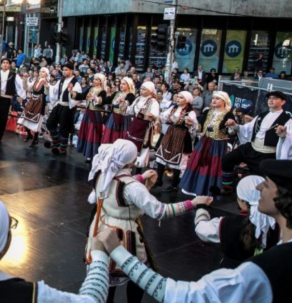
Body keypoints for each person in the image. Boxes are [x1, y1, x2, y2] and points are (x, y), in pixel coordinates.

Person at [97, 159, 292, 303]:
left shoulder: (264, 269)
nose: (259, 187)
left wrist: (119, 251)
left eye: (266, 184)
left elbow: (183, 295)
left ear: (281, 197)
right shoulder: (275, 249)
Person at [85, 139, 212, 303]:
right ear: (130, 160)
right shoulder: (131, 187)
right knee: (137, 274)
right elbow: (159, 211)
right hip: (124, 236)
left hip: (102, 229)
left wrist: (142, 180)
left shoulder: (101, 174)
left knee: (107, 275)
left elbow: (118, 184)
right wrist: (192, 203)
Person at [193, 175, 279, 268]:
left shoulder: (228, 223)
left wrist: (201, 208)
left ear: (241, 200)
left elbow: (201, 229)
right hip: (265, 275)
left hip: (233, 273)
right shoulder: (277, 224)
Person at [222, 91, 292, 194]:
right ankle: (228, 187)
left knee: (259, 180)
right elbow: (247, 129)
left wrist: (283, 134)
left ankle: (252, 199)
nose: (271, 100)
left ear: (283, 102)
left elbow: (289, 139)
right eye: (269, 98)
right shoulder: (261, 115)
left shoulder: (288, 121)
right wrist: (235, 126)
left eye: (275, 98)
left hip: (267, 155)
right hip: (251, 148)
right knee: (227, 159)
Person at [180, 91, 236, 196]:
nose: (214, 100)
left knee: (213, 167)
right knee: (198, 164)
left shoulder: (228, 114)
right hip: (204, 142)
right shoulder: (207, 112)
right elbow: (200, 129)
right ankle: (194, 188)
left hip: (218, 145)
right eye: (213, 98)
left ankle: (207, 192)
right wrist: (191, 124)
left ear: (224, 101)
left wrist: (232, 125)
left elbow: (232, 132)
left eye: (217, 98)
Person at [154, 91, 198, 192]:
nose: (178, 99)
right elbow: (163, 117)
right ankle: (159, 179)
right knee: (161, 155)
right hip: (171, 133)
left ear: (186, 100)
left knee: (178, 160)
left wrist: (190, 124)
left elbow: (195, 128)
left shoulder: (190, 112)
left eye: (181, 97)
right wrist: (163, 117)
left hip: (181, 136)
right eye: (177, 97)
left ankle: (174, 185)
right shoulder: (173, 108)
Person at [46, 64, 83, 155]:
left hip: (68, 106)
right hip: (59, 104)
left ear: (71, 71)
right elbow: (54, 90)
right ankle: (56, 141)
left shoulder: (76, 83)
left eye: (66, 69)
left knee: (64, 128)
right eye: (63, 70)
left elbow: (78, 96)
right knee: (50, 123)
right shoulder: (62, 80)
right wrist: (47, 85)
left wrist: (71, 92)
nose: (64, 71)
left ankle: (62, 148)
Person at [75, 74, 109, 162]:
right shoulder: (90, 89)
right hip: (88, 112)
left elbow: (102, 102)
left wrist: (94, 98)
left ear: (101, 81)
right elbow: (82, 96)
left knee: (93, 133)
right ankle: (87, 153)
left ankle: (93, 154)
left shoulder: (102, 91)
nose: (95, 81)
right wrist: (72, 92)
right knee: (87, 132)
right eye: (94, 79)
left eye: (97, 79)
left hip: (96, 114)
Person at [17, 67, 49, 148]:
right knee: (23, 117)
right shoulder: (36, 81)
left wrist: (46, 85)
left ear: (47, 74)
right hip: (32, 100)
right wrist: (25, 79)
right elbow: (27, 88)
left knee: (37, 122)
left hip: (40, 102)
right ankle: (29, 134)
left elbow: (46, 92)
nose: (41, 73)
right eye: (40, 71)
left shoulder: (47, 83)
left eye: (43, 72)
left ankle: (35, 139)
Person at [101, 77, 135, 146]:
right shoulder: (117, 93)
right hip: (113, 118)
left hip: (124, 119)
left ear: (129, 85)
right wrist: (98, 98)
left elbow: (128, 102)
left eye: (124, 84)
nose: (121, 85)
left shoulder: (131, 95)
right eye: (121, 84)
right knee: (109, 136)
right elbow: (108, 100)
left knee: (121, 137)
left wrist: (123, 102)